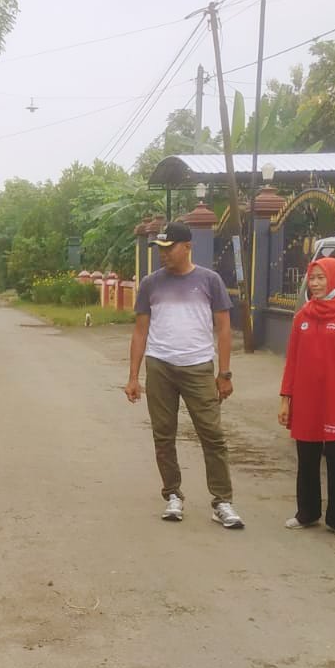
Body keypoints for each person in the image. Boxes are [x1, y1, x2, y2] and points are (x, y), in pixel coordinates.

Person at [124, 220, 244, 529]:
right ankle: (172, 495)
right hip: (160, 366)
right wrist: (133, 376)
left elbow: (224, 329)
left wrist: (225, 373)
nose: (162, 254)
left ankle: (222, 501)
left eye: (168, 248)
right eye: (159, 248)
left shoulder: (210, 280)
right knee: (163, 435)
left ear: (187, 247)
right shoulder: (151, 283)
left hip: (198, 366)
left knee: (212, 435)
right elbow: (140, 332)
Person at [278, 256, 335, 538]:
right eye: (312, 278)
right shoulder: (303, 315)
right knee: (306, 459)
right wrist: (286, 398)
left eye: (321, 278)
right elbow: (292, 360)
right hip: (307, 400)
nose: (315, 284)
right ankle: (307, 512)